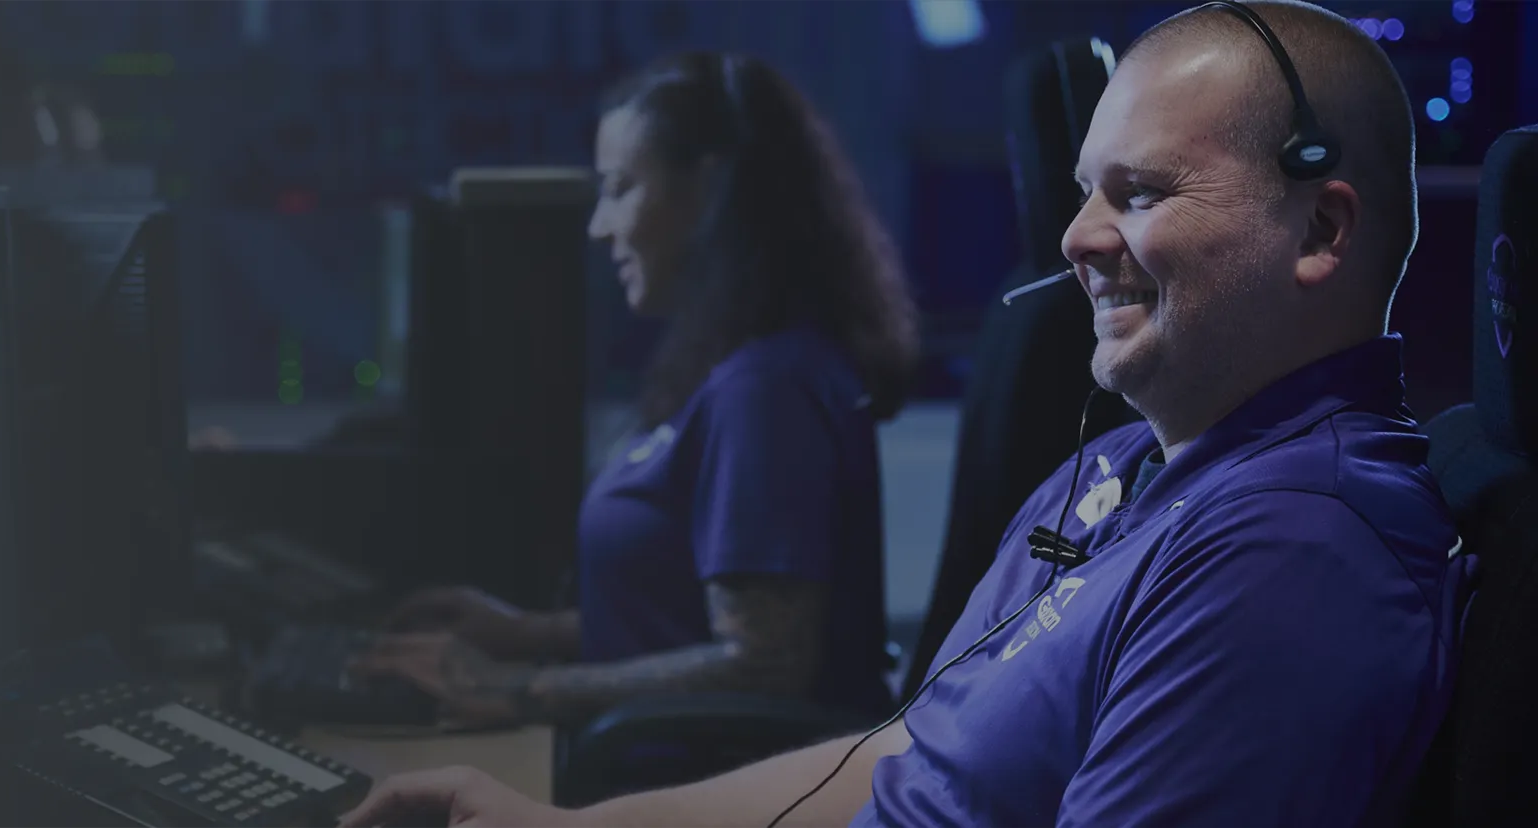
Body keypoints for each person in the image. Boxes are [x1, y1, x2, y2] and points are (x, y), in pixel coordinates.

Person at [338, 2, 1468, 825]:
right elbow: (906, 762)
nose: (1077, 237)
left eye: (1140, 193)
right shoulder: (1119, 469)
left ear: (1320, 232)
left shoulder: (1289, 555)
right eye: (1085, 189)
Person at [353, 51, 921, 728]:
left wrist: (518, 688)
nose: (599, 226)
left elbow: (764, 664)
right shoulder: (734, 370)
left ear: (708, 192)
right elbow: (680, 618)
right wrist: (526, 633)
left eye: (621, 188)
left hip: (714, 778)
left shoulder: (767, 390)